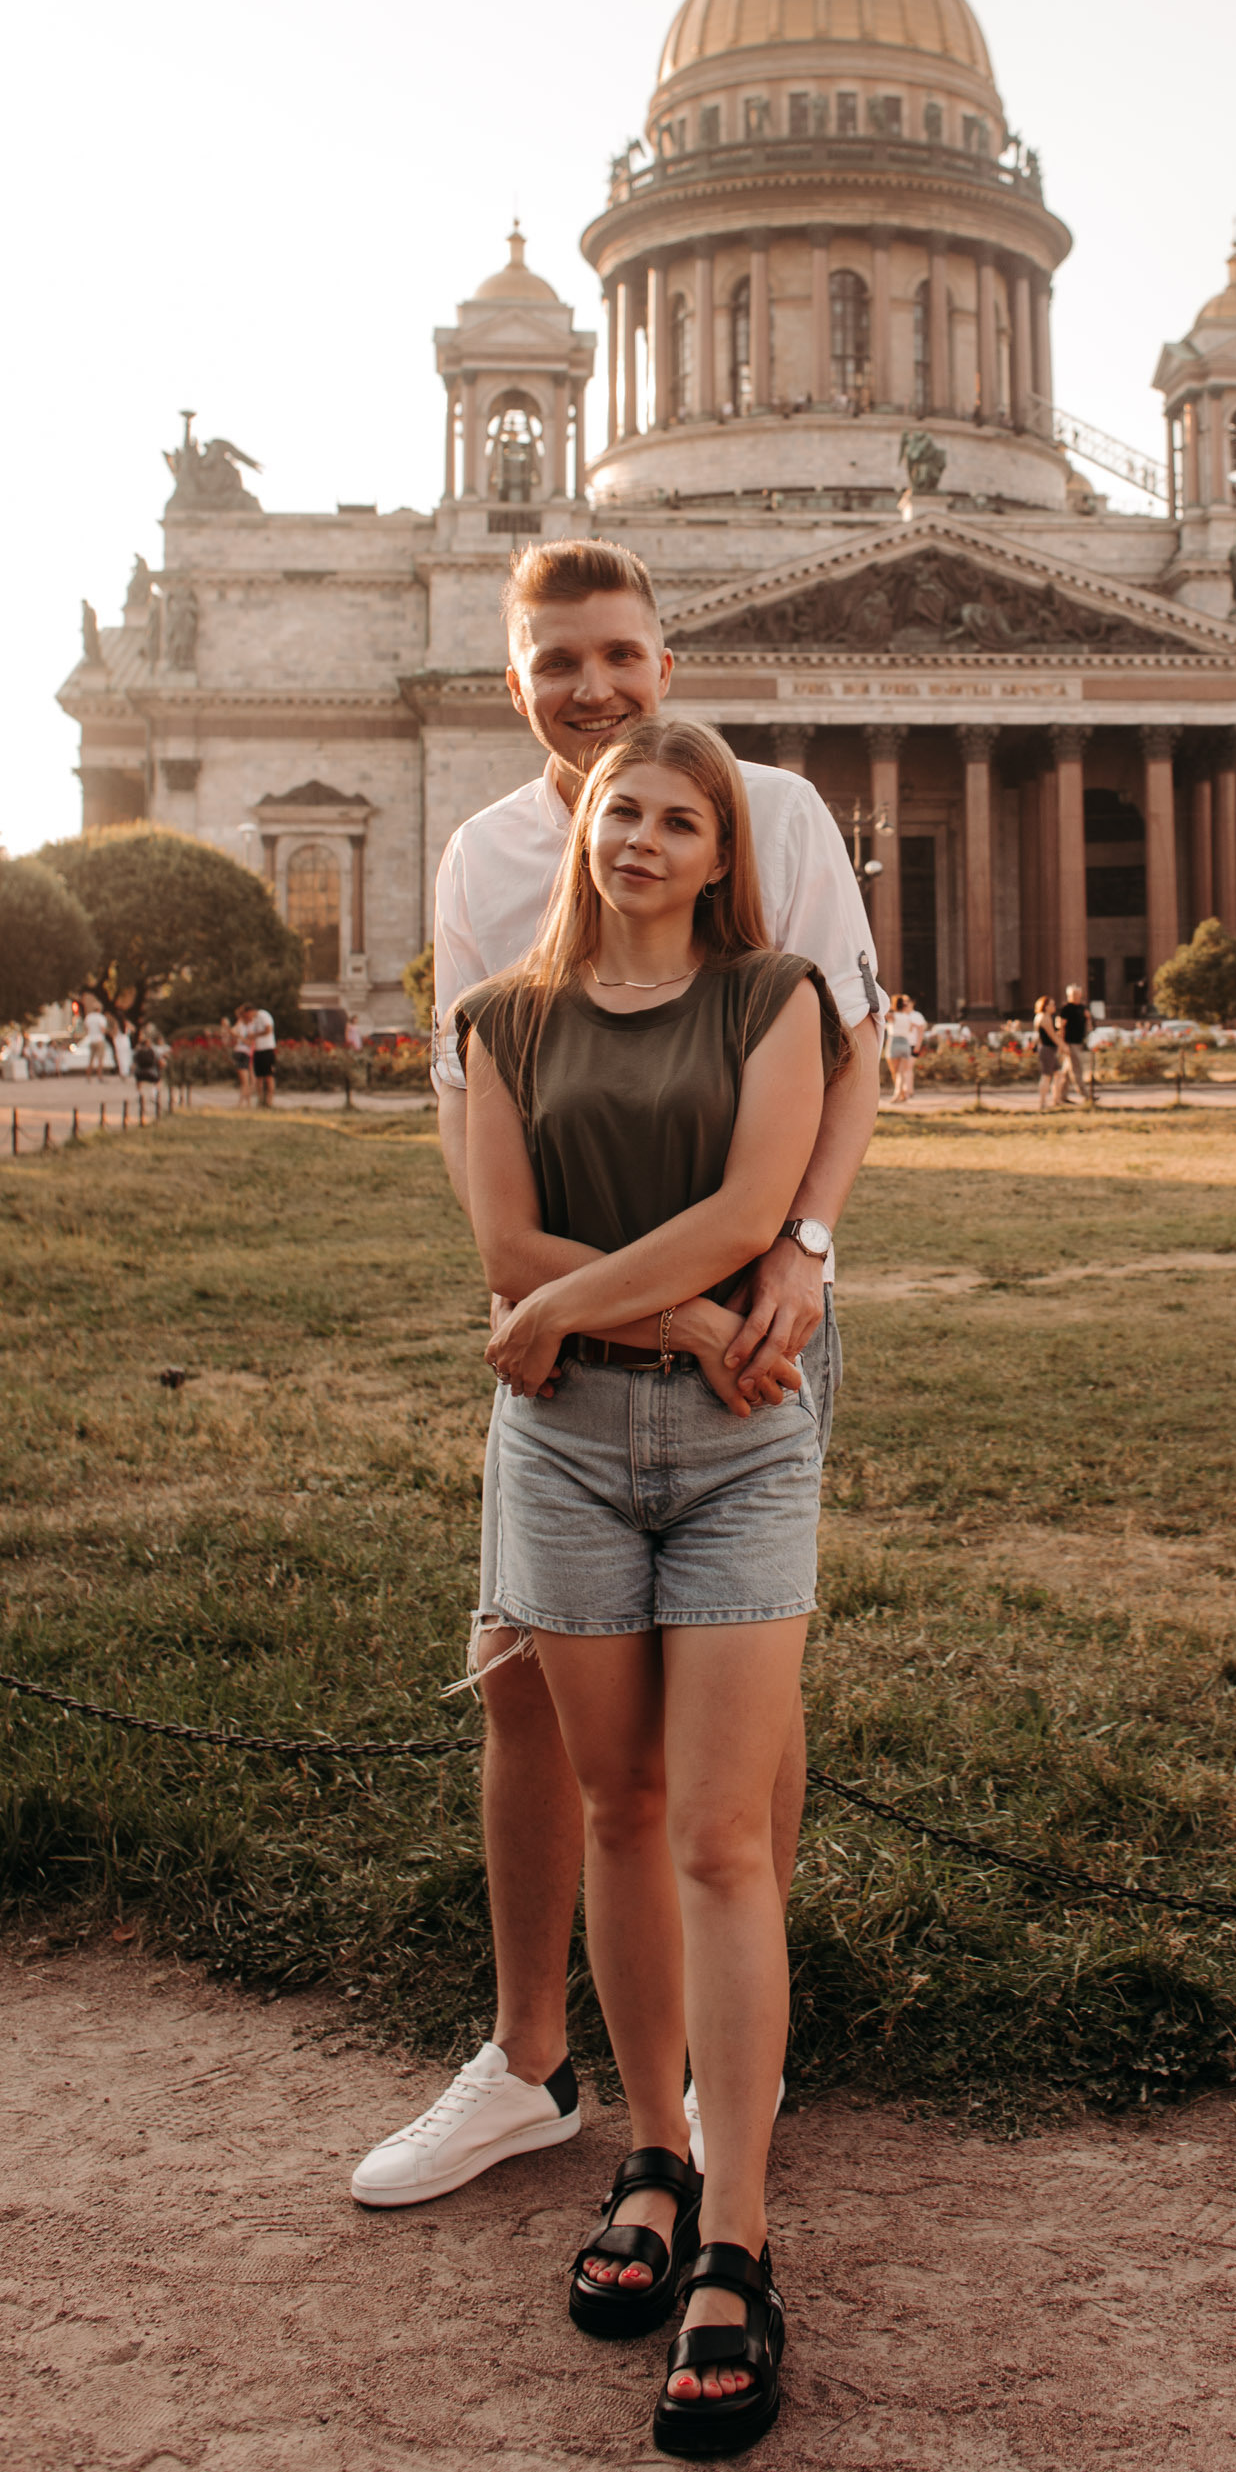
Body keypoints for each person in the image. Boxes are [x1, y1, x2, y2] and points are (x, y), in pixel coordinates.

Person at [351, 538, 880, 2244]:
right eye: (558, 660)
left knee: (738, 1732)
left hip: (751, 1327)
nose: (593, 687)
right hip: (569, 1344)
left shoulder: (773, 808)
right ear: (512, 676)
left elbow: (849, 1050)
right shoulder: (486, 853)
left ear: (668, 658)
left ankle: (727, 2074)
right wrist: (555, 1296)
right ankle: (530, 2060)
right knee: (524, 1688)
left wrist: (799, 1252)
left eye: (621, 654)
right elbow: (471, 1107)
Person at [460, 715, 840, 2456]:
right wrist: (672, 1316)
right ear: (584, 828)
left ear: (720, 852)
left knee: (719, 1836)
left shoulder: (774, 999)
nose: (644, 839)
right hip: (571, 1445)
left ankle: (738, 2239)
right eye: (624, 810)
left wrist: (565, 1307)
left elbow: (759, 1204)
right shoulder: (504, 1020)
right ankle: (652, 2154)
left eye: (682, 820)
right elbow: (500, 1243)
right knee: (617, 1810)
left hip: (740, 1441)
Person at [1057, 982, 1093, 1104]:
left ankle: (1061, 1096)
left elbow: (1088, 1024)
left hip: (1079, 1042)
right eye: (1073, 994)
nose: (1075, 996)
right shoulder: (1066, 1009)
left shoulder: (1082, 1008)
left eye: (1077, 994)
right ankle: (1086, 1095)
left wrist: (1088, 1019)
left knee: (1067, 1072)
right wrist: (1062, 1044)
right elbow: (1061, 1027)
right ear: (1069, 995)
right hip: (1070, 1043)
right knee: (1077, 1069)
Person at [882, 990, 917, 1103]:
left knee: (894, 1072)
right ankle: (901, 1094)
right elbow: (910, 1029)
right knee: (901, 1073)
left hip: (894, 1042)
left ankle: (897, 1094)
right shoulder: (908, 1018)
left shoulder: (892, 1016)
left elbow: (882, 1014)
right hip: (905, 1043)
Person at [1031, 993, 1065, 1106]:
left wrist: (1060, 1027)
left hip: (1047, 1048)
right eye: (1052, 1004)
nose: (1054, 1006)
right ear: (1046, 1006)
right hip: (1047, 1049)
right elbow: (1052, 1035)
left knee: (1058, 1073)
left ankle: (1056, 1099)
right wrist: (1063, 1046)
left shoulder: (1041, 1016)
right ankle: (1043, 1102)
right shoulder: (1044, 1017)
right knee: (1046, 1076)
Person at [249, 1005, 278, 1108]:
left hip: (267, 1050)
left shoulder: (263, 1015)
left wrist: (255, 1035)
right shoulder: (254, 1020)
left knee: (269, 1076)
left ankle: (270, 1101)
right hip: (258, 1050)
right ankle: (260, 1101)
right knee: (259, 1077)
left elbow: (269, 1029)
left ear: (250, 1011)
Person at [231, 1005, 256, 1105]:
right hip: (241, 1053)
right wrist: (242, 1038)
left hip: (248, 1054)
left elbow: (250, 1042)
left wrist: (241, 1038)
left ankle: (246, 1103)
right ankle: (242, 1104)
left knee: (250, 1081)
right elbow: (233, 1032)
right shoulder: (241, 1023)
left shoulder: (250, 1025)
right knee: (245, 1081)